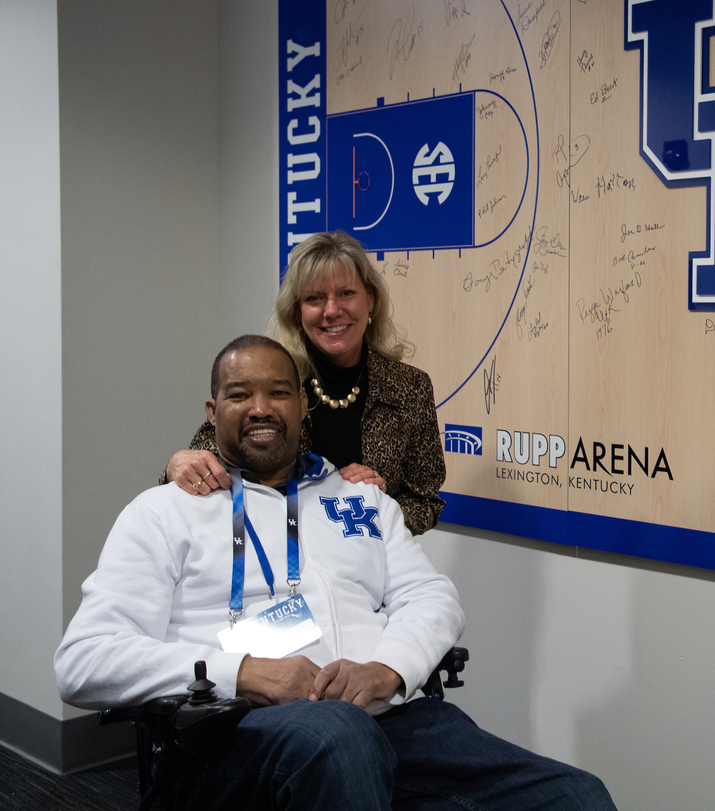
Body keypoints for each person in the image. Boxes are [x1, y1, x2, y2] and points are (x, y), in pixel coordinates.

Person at [56, 335, 615, 810]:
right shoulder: (163, 511)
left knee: (576, 795)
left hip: (384, 718)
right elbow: (83, 661)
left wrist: (388, 670)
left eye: (278, 392)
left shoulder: (360, 499)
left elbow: (430, 597)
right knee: (339, 740)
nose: (260, 407)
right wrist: (244, 672)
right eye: (239, 394)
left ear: (303, 405)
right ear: (211, 412)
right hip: (233, 733)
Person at [163, 231, 445, 534]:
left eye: (347, 293)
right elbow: (198, 470)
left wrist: (379, 505)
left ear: (371, 300)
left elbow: (425, 502)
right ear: (297, 313)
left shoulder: (410, 388)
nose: (332, 310)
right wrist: (174, 469)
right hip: (268, 557)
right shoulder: (269, 379)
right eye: (314, 298)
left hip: (368, 567)